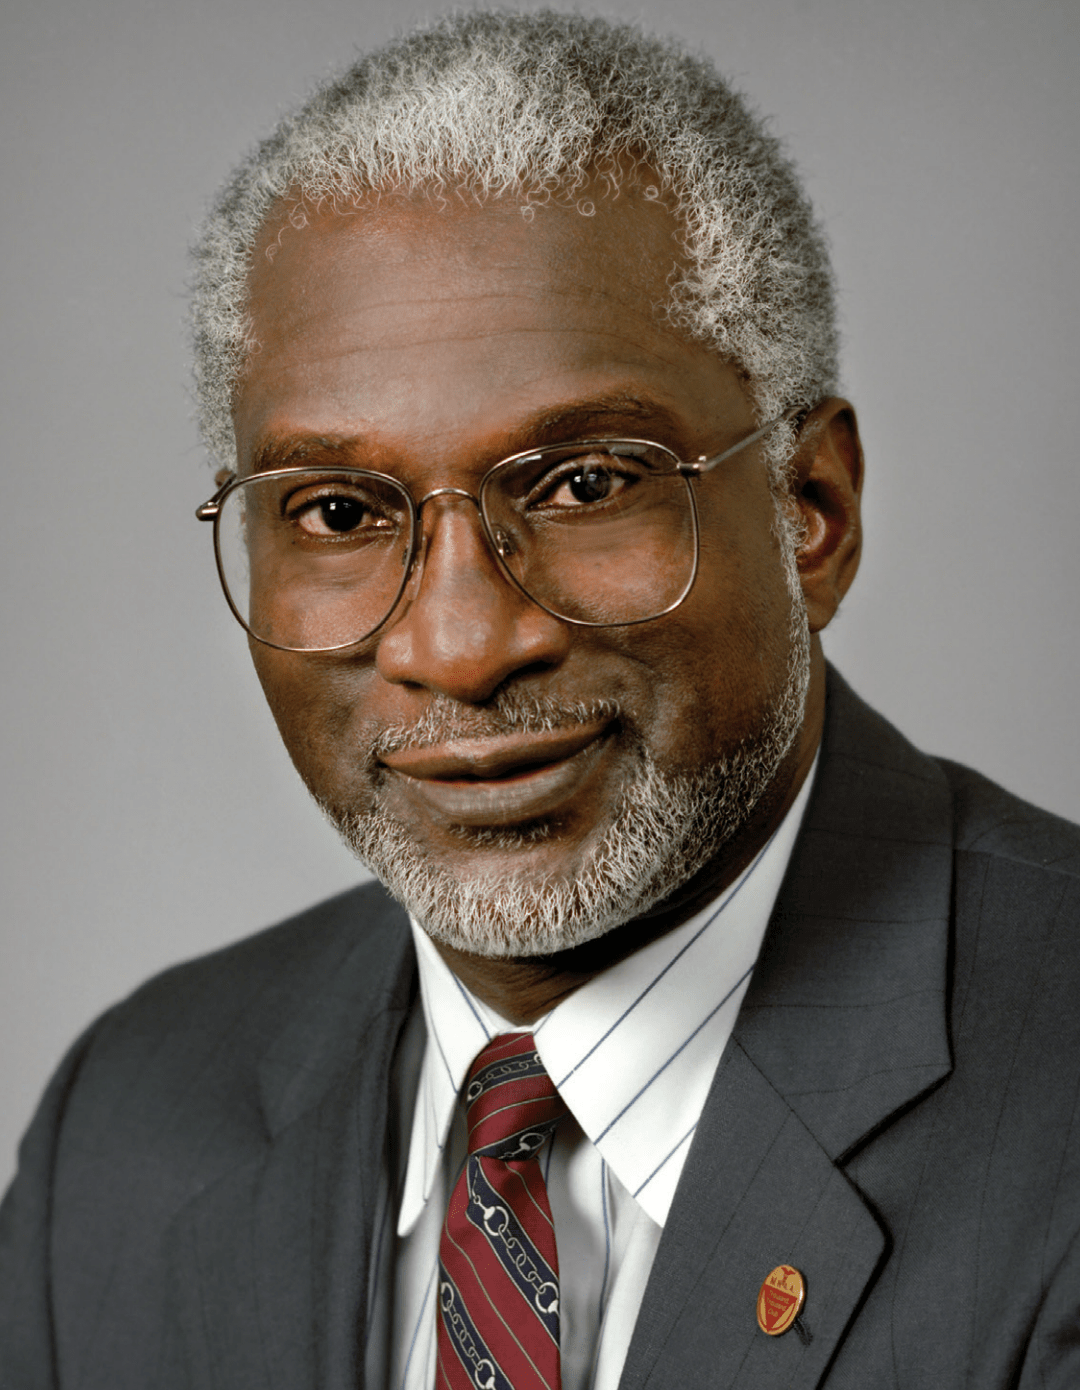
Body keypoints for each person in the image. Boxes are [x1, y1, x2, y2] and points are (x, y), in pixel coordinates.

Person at [2, 11, 1078, 1388]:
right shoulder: (128, 1126)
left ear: (812, 510)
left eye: (582, 483)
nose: (458, 645)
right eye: (337, 508)